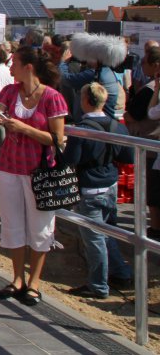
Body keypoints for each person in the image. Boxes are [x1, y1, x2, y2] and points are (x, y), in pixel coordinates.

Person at [0, 46, 68, 307]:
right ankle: (17, 278)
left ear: (28, 67)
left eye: (15, 63)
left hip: (39, 170)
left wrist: (23, 128)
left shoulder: (52, 97)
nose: (10, 68)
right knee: (12, 223)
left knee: (40, 226)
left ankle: (35, 282)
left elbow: (57, 139)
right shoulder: (10, 92)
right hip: (10, 166)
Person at [63, 82, 133, 298]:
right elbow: (128, 157)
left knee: (94, 239)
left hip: (90, 187)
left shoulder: (81, 130)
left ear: (85, 100)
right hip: (110, 184)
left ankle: (98, 285)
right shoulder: (117, 126)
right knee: (108, 233)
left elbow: (70, 160)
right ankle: (120, 272)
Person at [124, 45, 160, 236]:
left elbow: (140, 113)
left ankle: (154, 230)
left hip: (149, 143)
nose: (141, 66)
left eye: (144, 62)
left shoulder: (150, 89)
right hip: (152, 143)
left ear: (155, 65)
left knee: (152, 192)